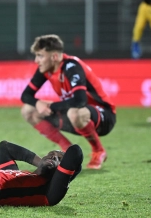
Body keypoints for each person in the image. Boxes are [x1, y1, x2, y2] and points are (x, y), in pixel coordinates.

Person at [20, 34, 116, 170]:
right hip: (75, 117)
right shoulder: (46, 69)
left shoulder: (72, 67)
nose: (36, 60)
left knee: (74, 112)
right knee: (28, 111)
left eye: (40, 55)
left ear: (54, 57)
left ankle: (98, 151)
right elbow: (26, 95)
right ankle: (68, 151)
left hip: (104, 116)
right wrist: (38, 103)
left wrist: (51, 106)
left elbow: (80, 100)